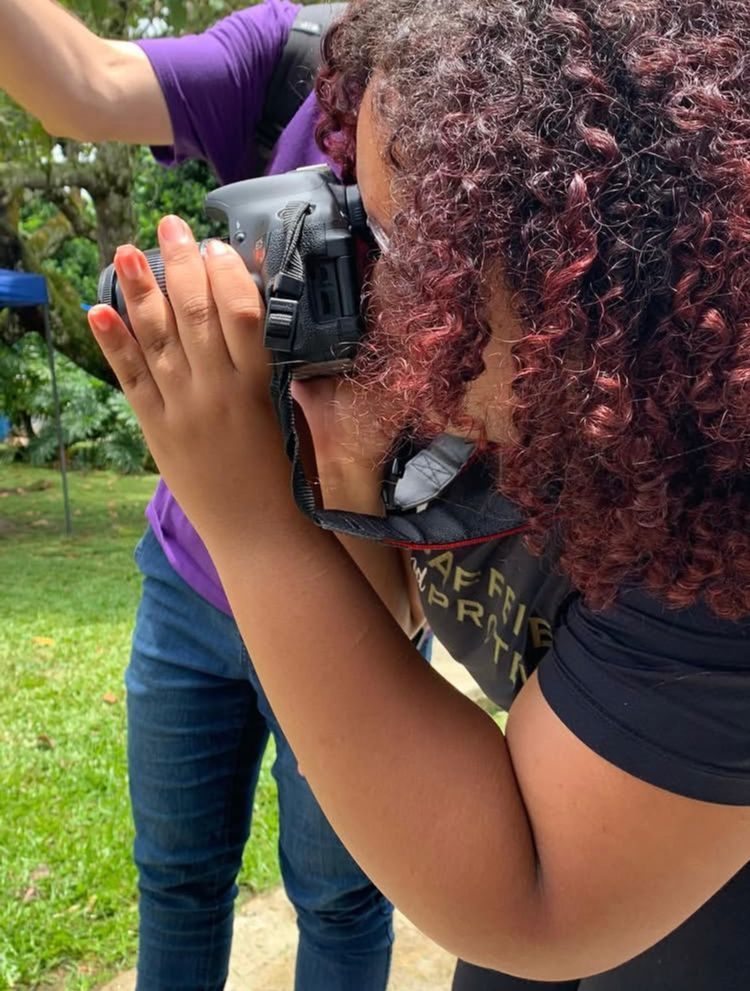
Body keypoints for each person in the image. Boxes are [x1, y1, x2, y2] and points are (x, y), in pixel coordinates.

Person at [88, 0, 750, 989]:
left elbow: (533, 898)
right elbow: (391, 626)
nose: (370, 284)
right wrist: (347, 469)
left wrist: (250, 520)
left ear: (600, 273)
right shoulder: (493, 369)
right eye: (357, 199)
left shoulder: (722, 502)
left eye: (414, 250)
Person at [0, 3, 430, 989]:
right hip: (189, 580)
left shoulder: (515, 96)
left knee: (340, 897)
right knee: (177, 881)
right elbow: (84, 83)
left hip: (364, 590)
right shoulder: (297, 47)